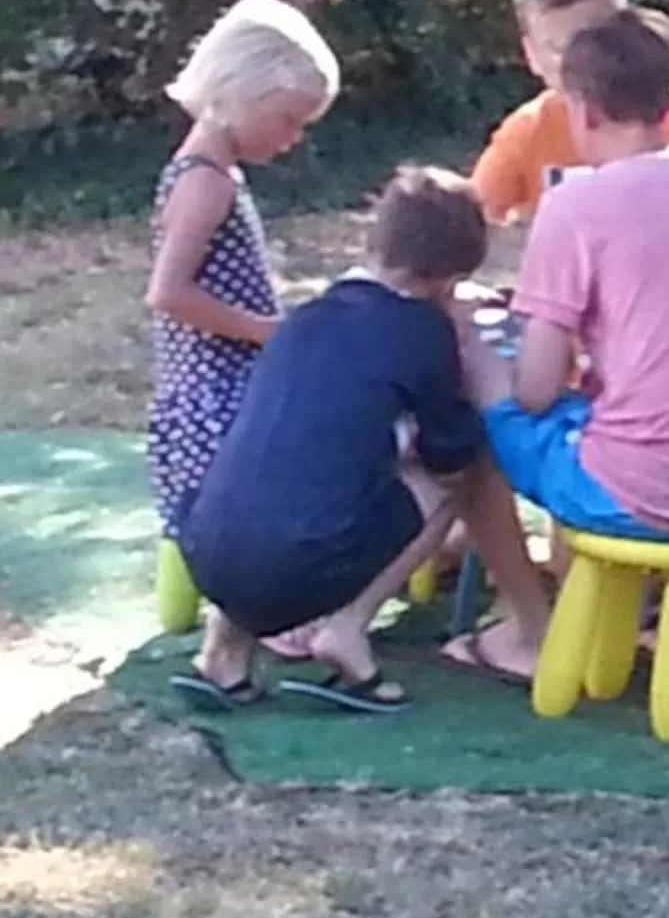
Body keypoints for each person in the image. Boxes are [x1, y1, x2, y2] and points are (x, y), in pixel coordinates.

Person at [173, 168, 558, 711]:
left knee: (273, 482)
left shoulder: (305, 318)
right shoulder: (422, 333)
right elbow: (448, 451)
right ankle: (348, 629)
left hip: (207, 550)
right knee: (457, 479)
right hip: (301, 564)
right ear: (453, 274)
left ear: (376, 241)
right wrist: (468, 354)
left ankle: (222, 654)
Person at [469, 16, 669, 624]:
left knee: (493, 396)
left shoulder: (575, 205)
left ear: (582, 110)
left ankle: (522, 623)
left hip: (642, 495)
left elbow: (538, 392)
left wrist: (485, 342)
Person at [147, 0, 341, 540]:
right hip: (216, 393)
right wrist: (264, 332)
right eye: (288, 120)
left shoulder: (215, 173)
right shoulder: (205, 181)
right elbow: (167, 292)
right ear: (242, 93)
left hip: (227, 384)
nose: (293, 138)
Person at [469, 0, 669, 223]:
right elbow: (468, 221)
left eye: (601, 41)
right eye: (561, 49)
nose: (583, 61)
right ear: (532, 55)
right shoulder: (529, 130)